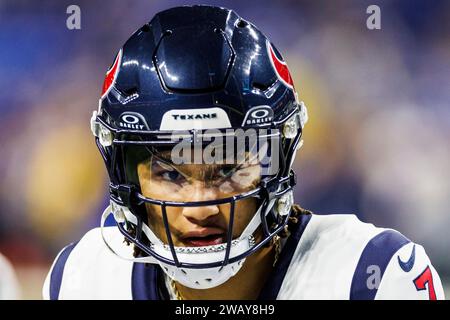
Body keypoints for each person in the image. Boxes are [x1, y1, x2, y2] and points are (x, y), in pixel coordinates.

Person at [43, 5, 444, 300]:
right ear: (126, 179)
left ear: (277, 164)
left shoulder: (371, 276)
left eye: (227, 169)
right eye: (170, 173)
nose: (200, 207)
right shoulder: (83, 279)